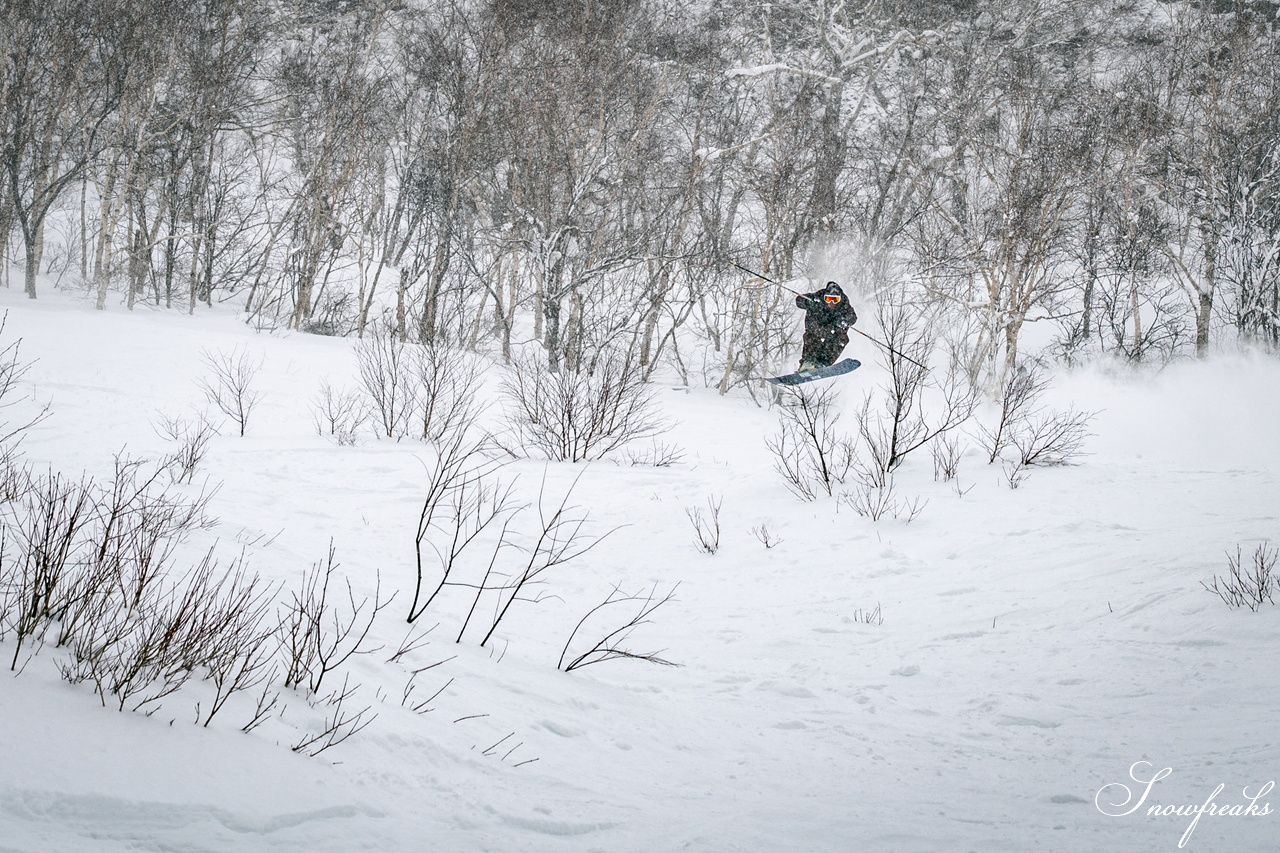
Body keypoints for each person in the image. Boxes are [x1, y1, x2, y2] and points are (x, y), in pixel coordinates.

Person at [796, 281, 857, 372]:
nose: (832, 302)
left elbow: (853, 317)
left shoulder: (844, 303)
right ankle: (808, 362)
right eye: (828, 299)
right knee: (814, 336)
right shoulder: (818, 296)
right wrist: (809, 302)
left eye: (835, 300)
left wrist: (844, 321)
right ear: (824, 297)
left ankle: (824, 363)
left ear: (840, 299)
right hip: (816, 326)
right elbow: (799, 300)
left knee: (841, 338)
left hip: (832, 330)